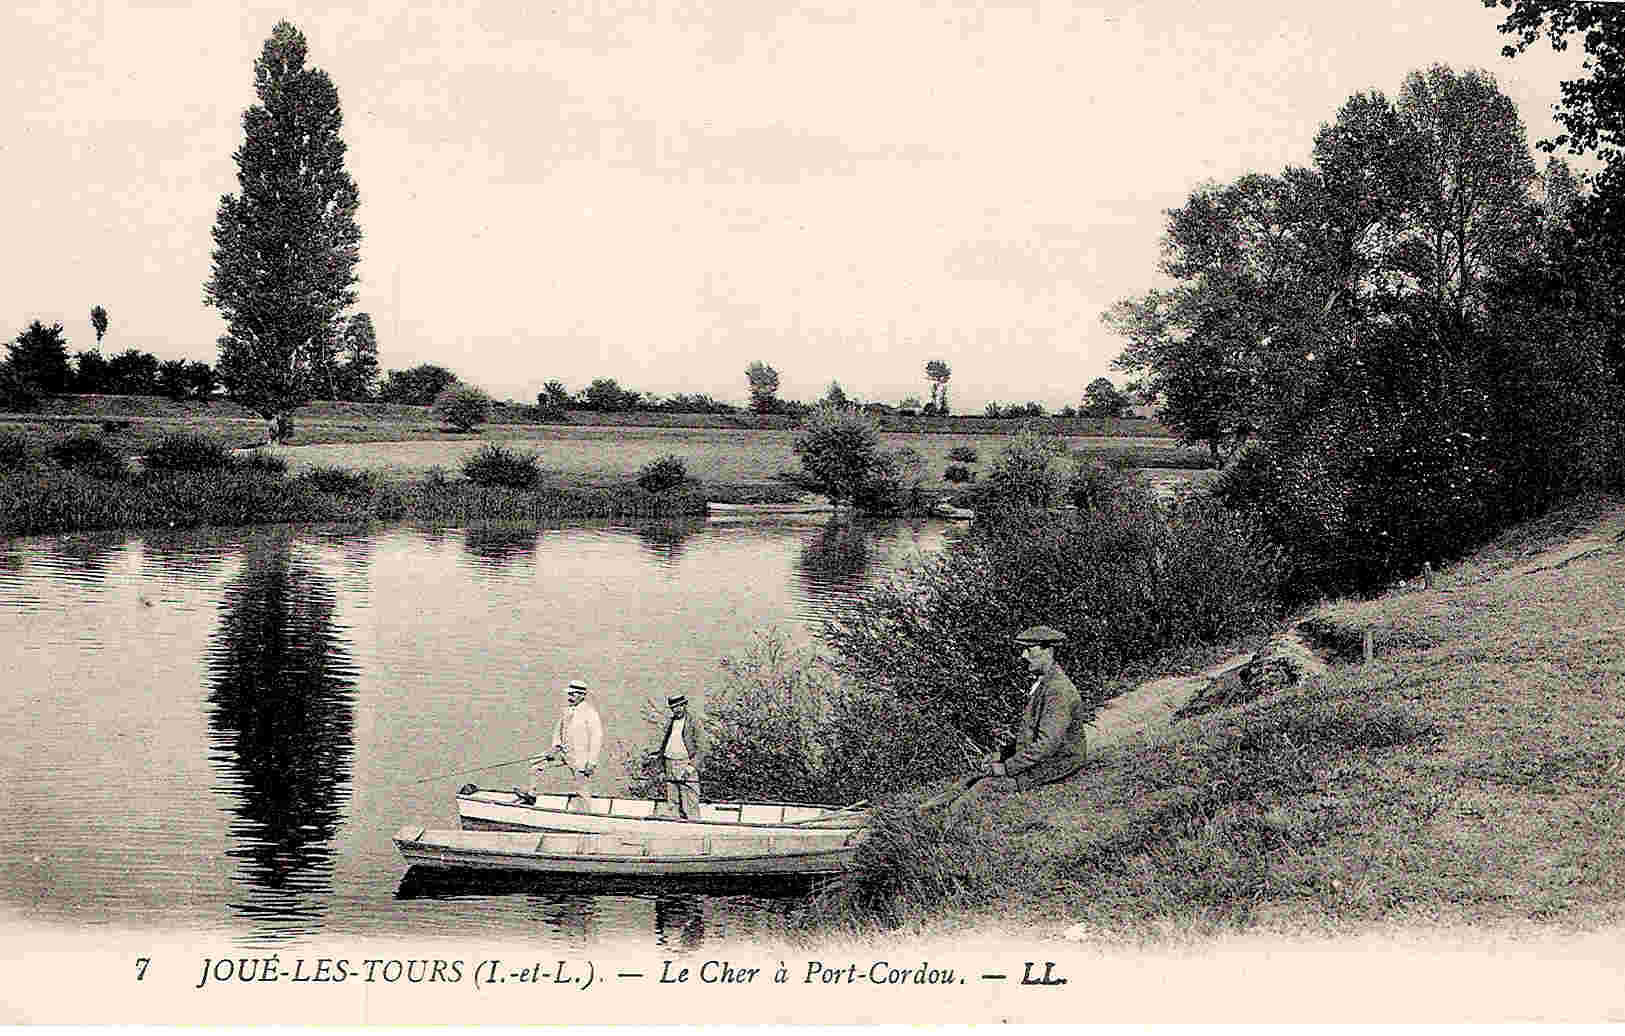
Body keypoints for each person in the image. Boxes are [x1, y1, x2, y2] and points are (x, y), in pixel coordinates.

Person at [919, 625, 1090, 832]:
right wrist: (1001, 754)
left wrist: (1006, 768)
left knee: (986, 785)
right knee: (973, 778)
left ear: (1048, 650)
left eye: (1029, 649)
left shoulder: (1058, 690)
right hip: (1047, 756)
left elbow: (1047, 744)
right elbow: (1033, 735)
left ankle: (939, 829)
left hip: (1059, 762)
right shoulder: (1046, 683)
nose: (1023, 655)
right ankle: (923, 811)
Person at [516, 679, 603, 813]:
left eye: (573, 694)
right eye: (569, 694)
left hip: (581, 758)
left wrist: (591, 763)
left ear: (582, 695)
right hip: (563, 753)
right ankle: (532, 795)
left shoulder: (590, 713)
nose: (570, 697)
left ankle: (590, 815)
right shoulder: (567, 711)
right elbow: (558, 729)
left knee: (582, 788)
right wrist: (555, 746)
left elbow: (597, 738)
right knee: (537, 765)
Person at [657, 694, 703, 819]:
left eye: (679, 706)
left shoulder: (694, 721)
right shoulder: (671, 722)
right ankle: (674, 824)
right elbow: (665, 743)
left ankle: (694, 824)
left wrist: (691, 767)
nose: (677, 709)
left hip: (686, 763)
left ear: (684, 705)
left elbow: (702, 747)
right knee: (672, 798)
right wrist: (661, 766)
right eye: (673, 707)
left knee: (689, 796)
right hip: (669, 763)